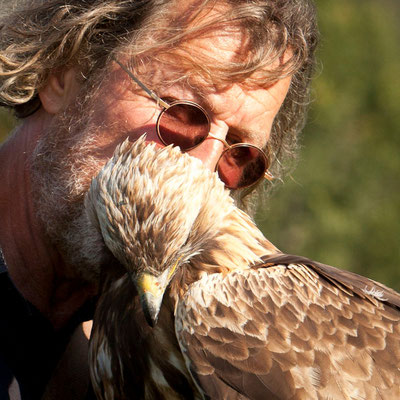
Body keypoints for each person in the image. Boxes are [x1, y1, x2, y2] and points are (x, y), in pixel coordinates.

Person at [0, 0, 318, 398]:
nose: (199, 174)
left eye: (240, 153)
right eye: (182, 114)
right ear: (64, 72)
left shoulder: (144, 357)